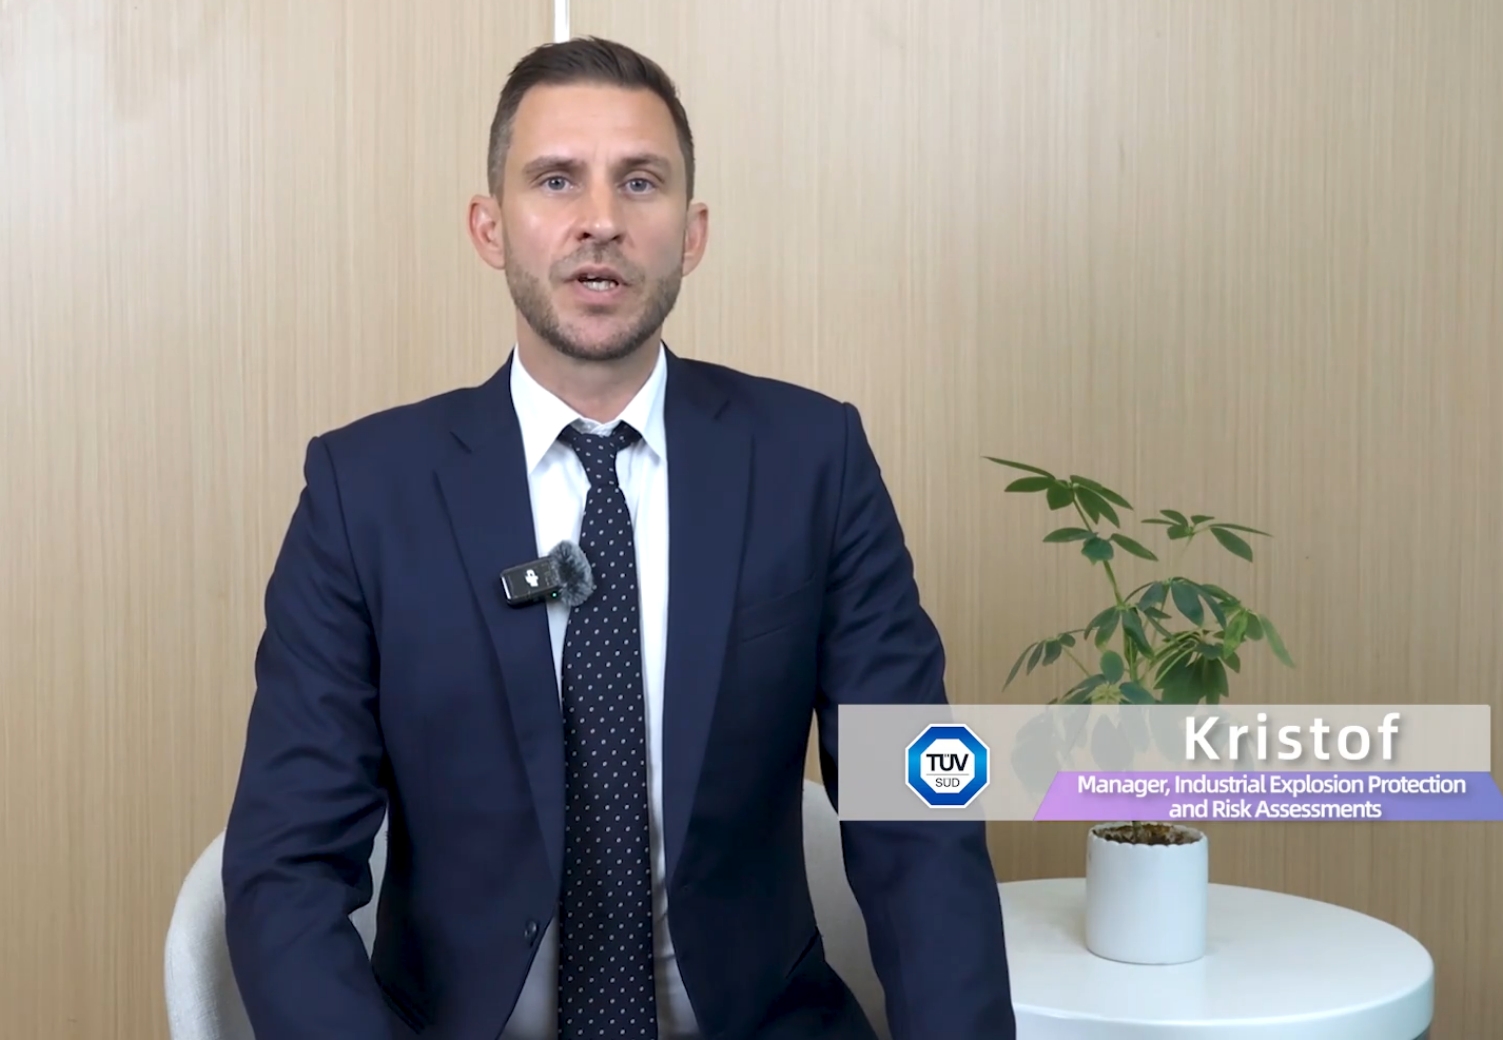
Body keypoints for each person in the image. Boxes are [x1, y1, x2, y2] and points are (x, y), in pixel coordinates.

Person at [221, 35, 1016, 1040]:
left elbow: (916, 815)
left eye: (640, 182)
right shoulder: (365, 491)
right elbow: (285, 868)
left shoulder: (814, 460)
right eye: (556, 180)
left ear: (691, 233)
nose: (601, 219)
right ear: (489, 227)